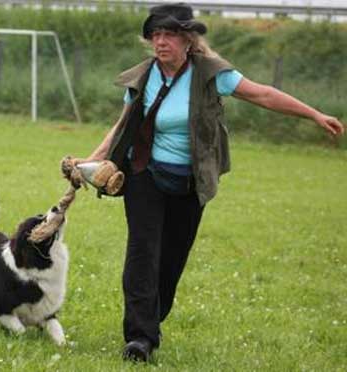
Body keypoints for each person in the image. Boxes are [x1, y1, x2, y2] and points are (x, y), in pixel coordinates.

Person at [72, 2, 344, 363]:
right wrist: (90, 161)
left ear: (188, 40)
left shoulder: (211, 73)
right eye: (156, 34)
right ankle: (139, 338)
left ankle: (151, 319)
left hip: (190, 182)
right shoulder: (143, 76)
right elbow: (122, 126)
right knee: (142, 253)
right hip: (144, 175)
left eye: (169, 34)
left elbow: (262, 93)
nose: (161, 42)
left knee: (171, 260)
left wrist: (313, 114)